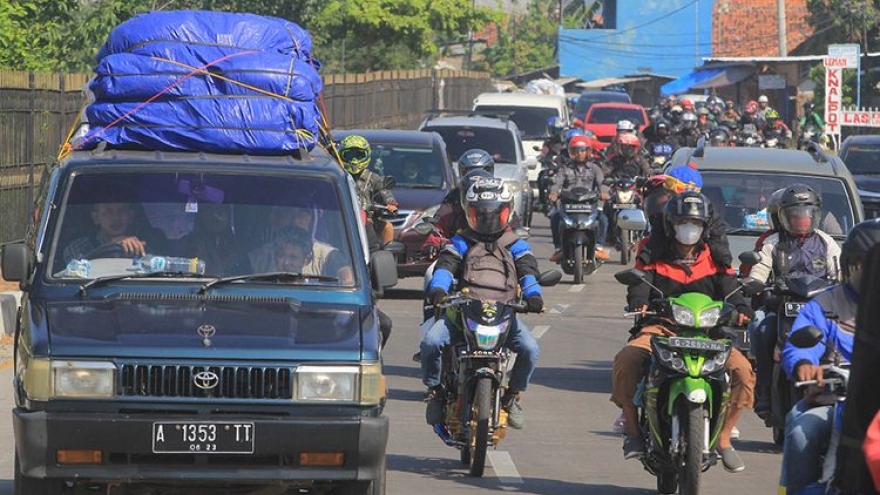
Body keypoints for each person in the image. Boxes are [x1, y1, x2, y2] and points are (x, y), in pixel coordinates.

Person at [612, 191, 754, 471]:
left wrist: (742, 307)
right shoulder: (653, 253)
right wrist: (639, 303)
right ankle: (630, 426)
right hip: (662, 328)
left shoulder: (715, 257)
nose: (689, 229)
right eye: (683, 223)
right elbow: (640, 283)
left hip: (710, 333)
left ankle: (724, 438)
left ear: (705, 228)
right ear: (670, 225)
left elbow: (731, 288)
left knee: (744, 372)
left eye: (696, 224)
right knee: (627, 359)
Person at [421, 178, 543, 428]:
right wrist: (439, 290)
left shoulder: (516, 243)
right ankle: (435, 391)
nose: (488, 220)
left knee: (530, 349)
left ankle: (512, 396)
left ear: (507, 212)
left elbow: (528, 270)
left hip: (503, 313)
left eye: (494, 214)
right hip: (462, 310)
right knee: (431, 342)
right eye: (481, 214)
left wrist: (534, 295)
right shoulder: (461, 241)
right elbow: (446, 266)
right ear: (468, 213)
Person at [780, 219, 880, 495]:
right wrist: (804, 364)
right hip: (837, 398)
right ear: (848, 267)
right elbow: (801, 341)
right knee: (802, 431)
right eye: (866, 270)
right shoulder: (825, 303)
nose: (873, 279)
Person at [746, 183, 841, 415]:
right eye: (795, 215)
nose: (802, 220)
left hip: (817, 308)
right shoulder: (772, 243)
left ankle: (837, 387)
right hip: (779, 305)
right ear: (784, 217)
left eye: (807, 215)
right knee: (760, 325)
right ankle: (764, 390)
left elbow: (840, 274)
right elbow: (758, 271)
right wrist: (755, 284)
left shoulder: (826, 242)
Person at [639, 164, 733, 269]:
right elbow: (654, 244)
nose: (668, 197)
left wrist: (724, 264)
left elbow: (719, 243)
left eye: (672, 193)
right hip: (667, 270)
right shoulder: (665, 214)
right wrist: (644, 260)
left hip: (700, 272)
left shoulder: (708, 213)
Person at [548, 134, 610, 262]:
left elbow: (602, 184)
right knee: (555, 218)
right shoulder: (565, 169)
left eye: (583, 151)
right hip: (569, 205)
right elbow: (557, 183)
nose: (580, 154)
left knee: (603, 219)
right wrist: (554, 192)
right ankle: (558, 249)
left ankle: (599, 247)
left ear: (588, 152)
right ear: (572, 152)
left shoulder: (595, 169)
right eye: (577, 151)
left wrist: (604, 193)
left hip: (589, 205)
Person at [338, 134, 399, 245]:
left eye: (359, 155)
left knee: (387, 227)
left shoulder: (373, 178)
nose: (354, 160)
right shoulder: (339, 177)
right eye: (349, 155)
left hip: (367, 216)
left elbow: (384, 190)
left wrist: (390, 202)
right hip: (343, 217)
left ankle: (383, 256)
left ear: (367, 156)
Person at [249, 226, 355, 285]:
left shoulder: (327, 256)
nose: (286, 263)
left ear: (306, 260)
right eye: (280, 256)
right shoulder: (261, 261)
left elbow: (347, 278)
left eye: (293, 257)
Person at [63, 202, 153, 262]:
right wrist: (113, 246)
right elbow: (74, 271)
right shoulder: (79, 247)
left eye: (121, 211)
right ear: (96, 218)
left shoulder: (147, 245)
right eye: (108, 211)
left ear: (130, 216)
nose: (116, 218)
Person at [176, 203, 246, 276]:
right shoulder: (189, 244)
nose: (215, 216)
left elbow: (248, 278)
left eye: (219, 211)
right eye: (209, 210)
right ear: (201, 215)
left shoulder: (239, 246)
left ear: (228, 215)